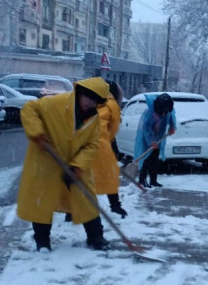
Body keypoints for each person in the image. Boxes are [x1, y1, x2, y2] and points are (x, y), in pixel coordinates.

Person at [17, 77, 111, 252]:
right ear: (81, 93)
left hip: (74, 163)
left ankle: (96, 237)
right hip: (47, 160)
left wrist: (77, 165)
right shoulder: (57, 103)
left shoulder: (93, 119)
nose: (91, 103)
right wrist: (36, 131)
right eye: (88, 98)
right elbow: (30, 108)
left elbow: (92, 145)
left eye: (95, 101)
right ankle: (42, 242)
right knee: (42, 202)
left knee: (87, 200)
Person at [91, 80, 127, 218]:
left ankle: (70, 212)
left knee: (84, 178)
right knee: (109, 177)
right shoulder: (112, 105)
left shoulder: (97, 101)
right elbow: (112, 129)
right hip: (99, 144)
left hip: (86, 141)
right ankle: (115, 206)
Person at [134, 93, 176, 188]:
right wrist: (151, 141)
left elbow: (171, 117)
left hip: (159, 136)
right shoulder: (150, 114)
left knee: (155, 159)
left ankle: (153, 180)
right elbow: (146, 128)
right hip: (146, 137)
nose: (166, 111)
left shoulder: (168, 110)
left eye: (167, 108)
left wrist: (172, 127)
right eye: (164, 108)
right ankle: (142, 180)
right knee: (146, 159)